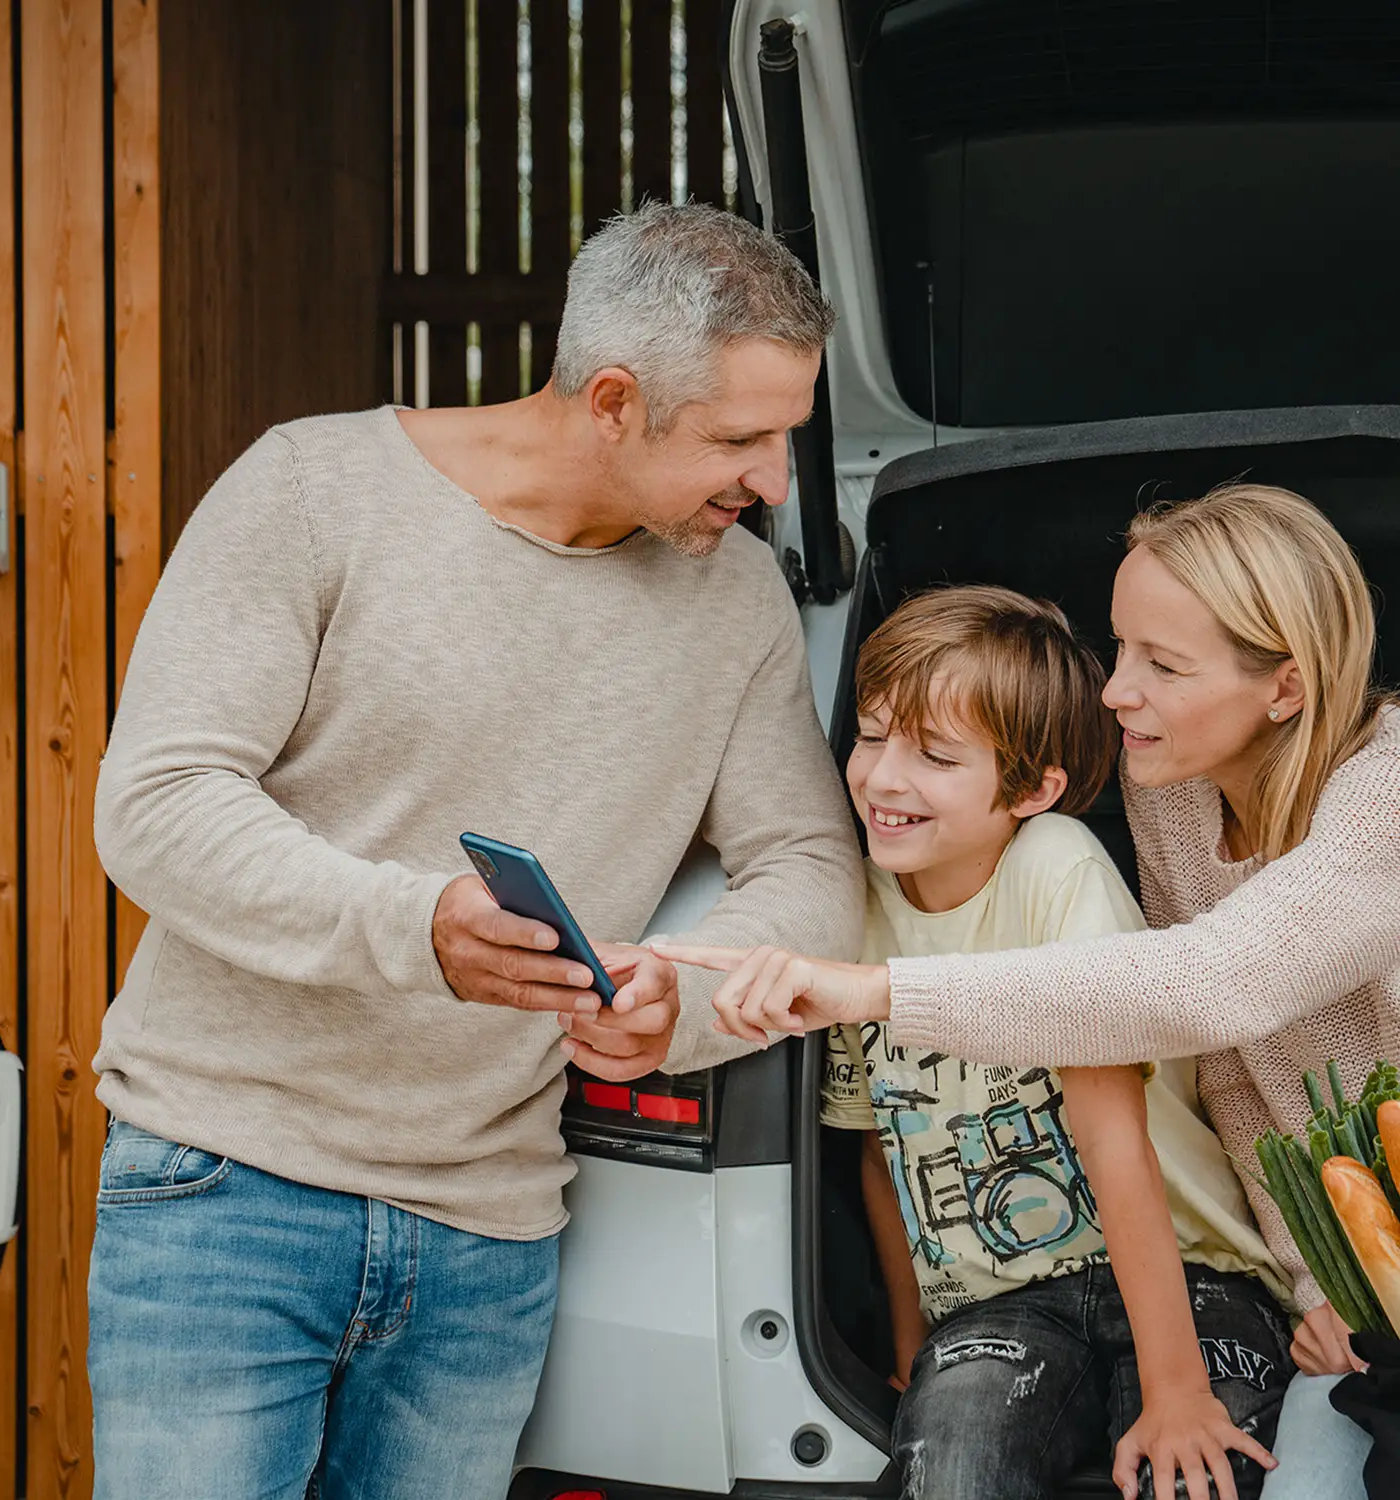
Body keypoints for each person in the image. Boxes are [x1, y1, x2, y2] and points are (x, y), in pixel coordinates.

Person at [87, 201, 865, 1500]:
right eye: (742, 438)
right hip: (228, 1185)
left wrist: (687, 995)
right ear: (612, 399)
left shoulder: (733, 600)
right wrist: (418, 928)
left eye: (785, 434)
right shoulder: (310, 490)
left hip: (488, 1241)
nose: (775, 483)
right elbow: (158, 805)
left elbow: (812, 874)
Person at [654, 484, 1398, 1499]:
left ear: (1287, 687)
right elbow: (1236, 1087)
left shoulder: (1385, 793)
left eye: (1162, 666)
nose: (1113, 693)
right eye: (1121, 648)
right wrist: (1328, 1281)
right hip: (1354, 1283)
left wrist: (872, 990)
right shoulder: (1173, 786)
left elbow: (1213, 989)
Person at [814, 584, 1292, 1500]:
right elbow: (881, 1149)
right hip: (996, 1309)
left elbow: (1114, 1141)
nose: (881, 777)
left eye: (936, 755)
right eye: (871, 735)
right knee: (945, 1471)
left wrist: (1177, 1390)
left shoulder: (1055, 864)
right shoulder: (853, 907)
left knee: (1200, 1474)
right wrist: (914, 1352)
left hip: (1190, 1276)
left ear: (1033, 790)